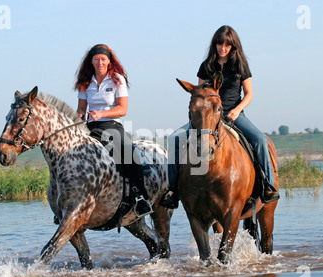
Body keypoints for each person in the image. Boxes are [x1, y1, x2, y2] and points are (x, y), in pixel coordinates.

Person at [161, 26, 279, 208]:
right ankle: (172, 191)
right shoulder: (206, 66)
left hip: (233, 114)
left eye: (227, 45)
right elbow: (199, 94)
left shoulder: (241, 66)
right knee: (174, 139)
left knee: (261, 141)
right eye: (219, 44)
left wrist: (237, 110)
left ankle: (268, 186)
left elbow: (249, 94)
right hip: (208, 117)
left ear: (233, 46)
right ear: (214, 44)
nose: (222, 48)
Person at [74, 44, 152, 216]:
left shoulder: (117, 79)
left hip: (112, 125)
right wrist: (77, 122)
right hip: (90, 127)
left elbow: (122, 109)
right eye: (96, 59)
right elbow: (81, 109)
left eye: (103, 59)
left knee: (127, 152)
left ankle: (139, 196)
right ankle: (68, 200)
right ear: (91, 61)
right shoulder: (85, 82)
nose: (99, 62)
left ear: (109, 61)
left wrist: (101, 113)